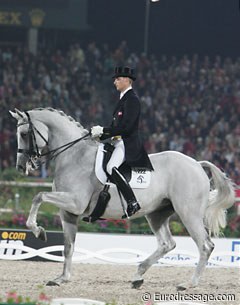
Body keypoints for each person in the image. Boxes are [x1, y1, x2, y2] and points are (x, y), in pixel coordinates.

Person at [91, 66, 154, 218]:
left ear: (127, 80)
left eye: (118, 79)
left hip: (127, 143)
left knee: (111, 166)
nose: (115, 82)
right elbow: (115, 127)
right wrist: (100, 135)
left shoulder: (132, 100)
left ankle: (132, 202)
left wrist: (104, 130)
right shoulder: (123, 99)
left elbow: (126, 128)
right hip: (117, 142)